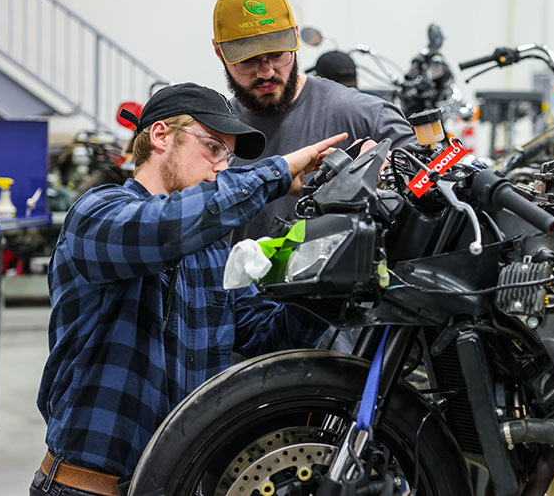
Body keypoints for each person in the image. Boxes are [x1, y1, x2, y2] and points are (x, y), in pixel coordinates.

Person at [31, 82, 346, 495]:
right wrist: (276, 172)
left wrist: (324, 276)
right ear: (161, 135)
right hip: (90, 489)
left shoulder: (212, 246)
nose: (222, 166)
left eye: (228, 156)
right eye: (213, 148)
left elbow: (264, 334)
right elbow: (164, 229)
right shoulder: (96, 216)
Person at [211, 0, 416, 241]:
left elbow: (431, 195)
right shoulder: (214, 136)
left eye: (277, 55)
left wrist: (386, 178)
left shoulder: (364, 116)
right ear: (219, 51)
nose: (266, 72)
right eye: (248, 60)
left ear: (296, 37)